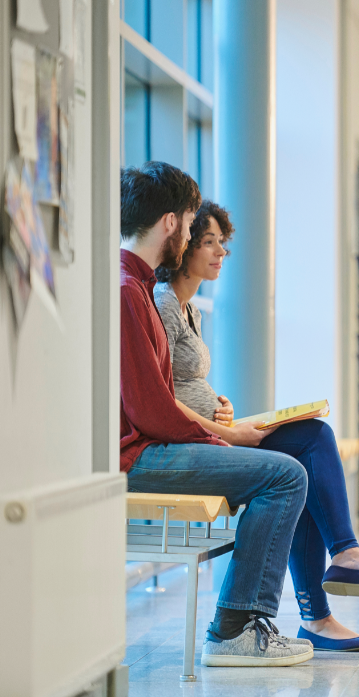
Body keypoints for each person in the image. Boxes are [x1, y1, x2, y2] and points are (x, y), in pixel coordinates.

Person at [153, 199, 359, 652]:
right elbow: (159, 396)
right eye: (208, 242)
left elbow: (181, 379)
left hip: (208, 433)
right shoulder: (162, 302)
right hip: (189, 446)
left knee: (312, 435)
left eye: (222, 245)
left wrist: (220, 404)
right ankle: (325, 593)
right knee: (295, 466)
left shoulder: (189, 308)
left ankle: (334, 581)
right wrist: (225, 430)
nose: (218, 253)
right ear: (184, 245)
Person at [119, 161, 312, 668]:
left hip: (150, 447)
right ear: (170, 223)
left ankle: (246, 623)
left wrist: (219, 431)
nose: (189, 234)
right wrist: (223, 437)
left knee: (297, 454)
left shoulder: (134, 288)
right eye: (188, 223)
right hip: (138, 459)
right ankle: (233, 630)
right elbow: (154, 410)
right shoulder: (128, 293)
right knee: (285, 476)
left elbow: (161, 399)